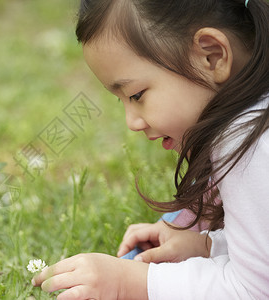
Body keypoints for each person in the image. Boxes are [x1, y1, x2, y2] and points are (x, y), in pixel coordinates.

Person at [32, 0, 269, 299]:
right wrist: (209, 246)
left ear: (212, 55)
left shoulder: (250, 142)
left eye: (137, 95)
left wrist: (131, 281)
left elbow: (256, 289)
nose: (131, 122)